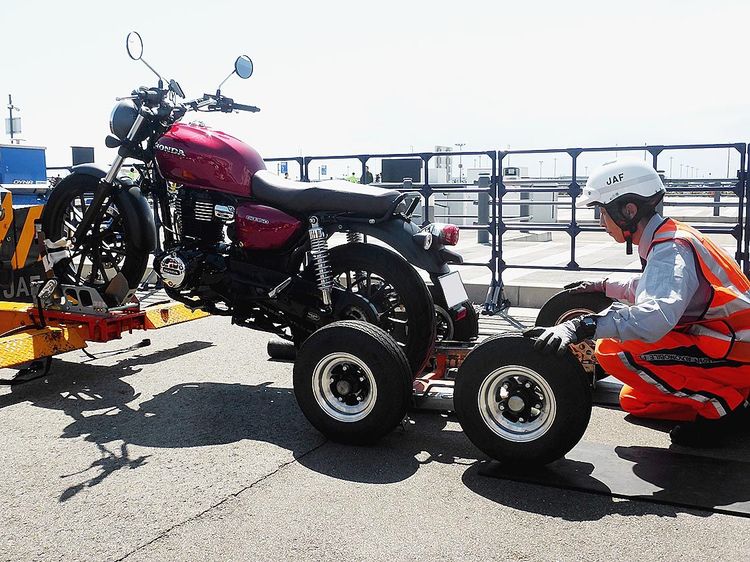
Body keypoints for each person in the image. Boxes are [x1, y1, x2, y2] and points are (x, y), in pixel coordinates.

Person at [524, 160, 750, 447]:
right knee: (633, 400)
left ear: (628, 211)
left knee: (612, 350)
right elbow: (661, 290)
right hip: (727, 347)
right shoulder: (669, 237)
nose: (600, 222)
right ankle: (734, 397)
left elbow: (655, 315)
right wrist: (606, 287)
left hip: (738, 354)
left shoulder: (671, 248)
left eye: (602, 213)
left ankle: (724, 408)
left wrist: (582, 326)